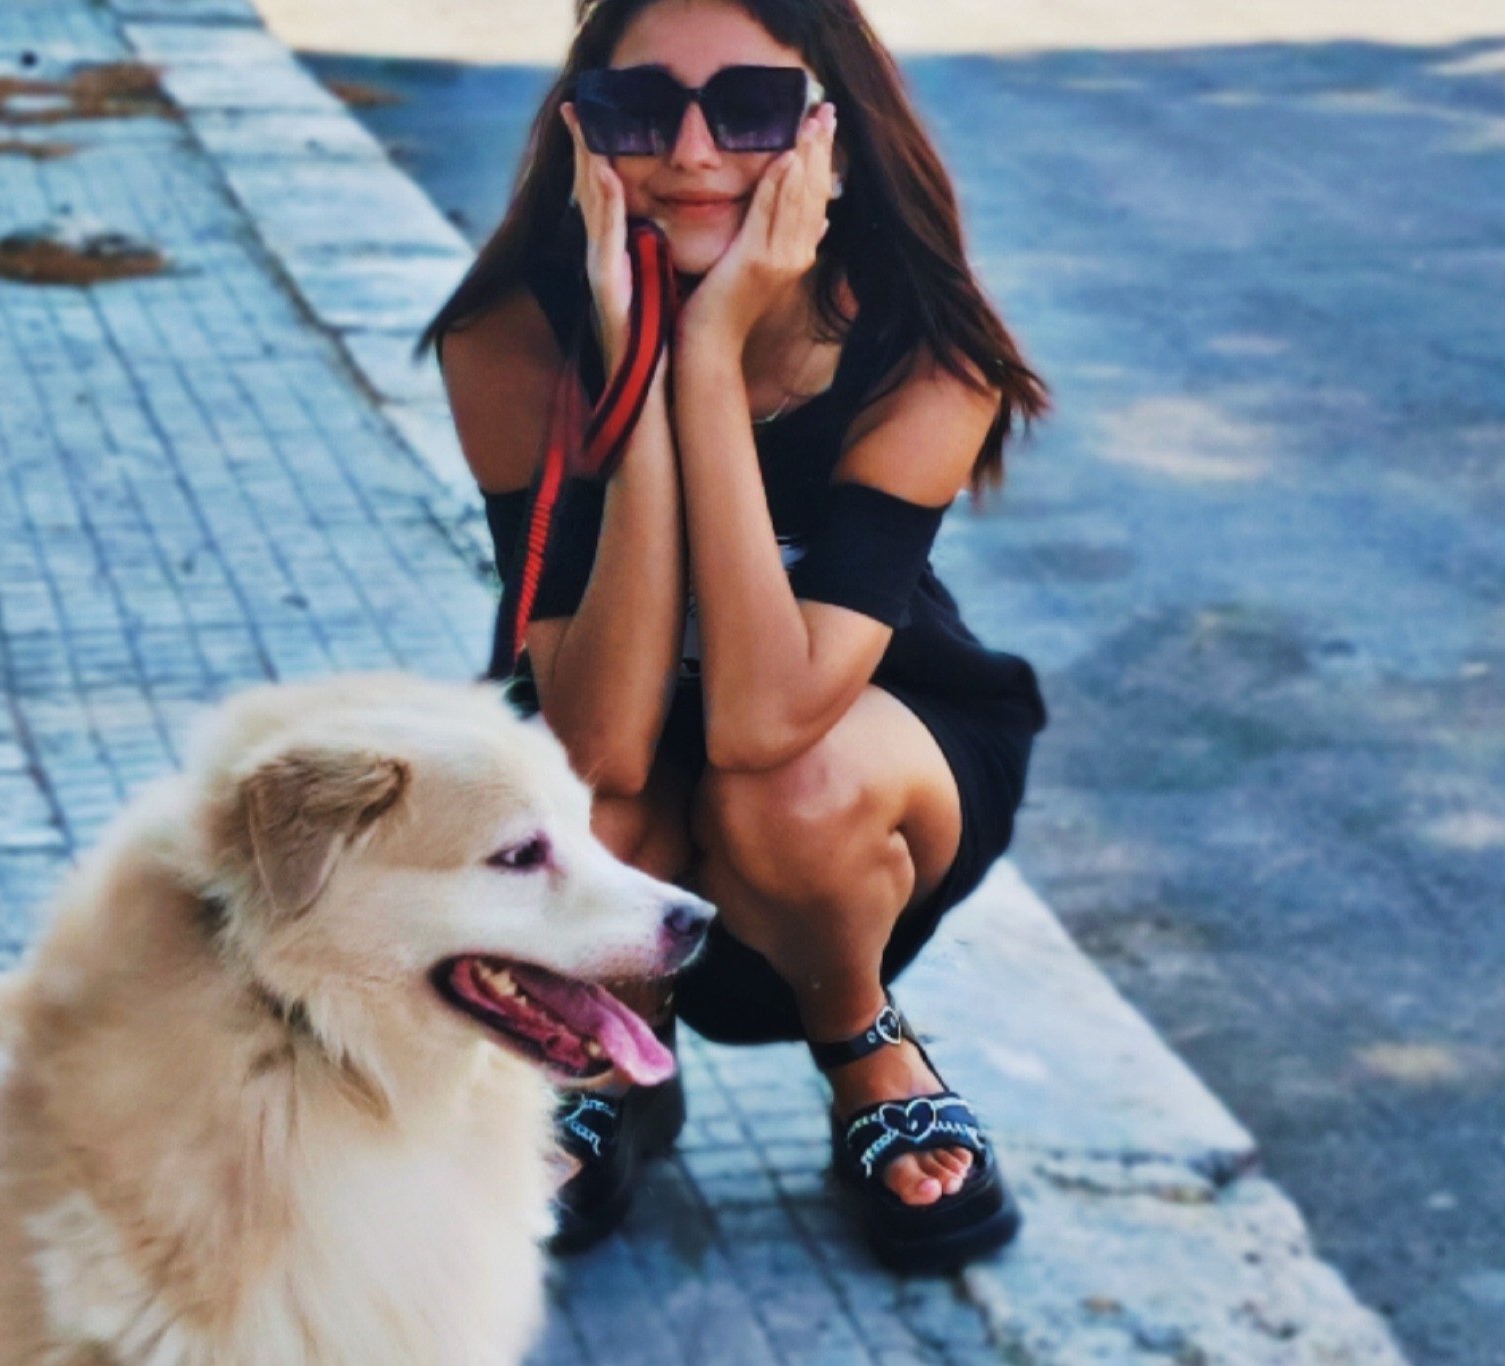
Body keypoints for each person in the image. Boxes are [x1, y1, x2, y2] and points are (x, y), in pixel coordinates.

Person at [424, 0, 1049, 1274]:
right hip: (615, 758)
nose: (694, 153)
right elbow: (600, 743)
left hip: (863, 760)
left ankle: (864, 1044)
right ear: (583, 133)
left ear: (832, 137)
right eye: (641, 109)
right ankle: (613, 1055)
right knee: (582, 803)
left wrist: (706, 354)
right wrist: (636, 368)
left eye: (751, 109)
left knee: (786, 786)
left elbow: (765, 719)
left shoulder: (927, 353)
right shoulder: (509, 338)